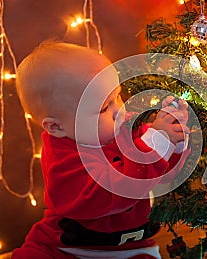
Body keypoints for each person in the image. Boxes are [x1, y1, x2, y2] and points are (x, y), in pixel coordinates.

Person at [11, 41, 190, 259]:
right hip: (65, 246)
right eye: (105, 107)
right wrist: (157, 142)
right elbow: (116, 191)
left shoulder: (124, 127)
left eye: (118, 96)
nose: (119, 110)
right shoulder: (62, 159)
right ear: (57, 127)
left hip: (130, 247)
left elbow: (158, 174)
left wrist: (174, 140)